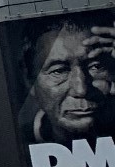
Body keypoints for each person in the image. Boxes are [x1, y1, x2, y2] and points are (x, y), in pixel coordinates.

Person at [18, 16, 115, 153]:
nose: (81, 89)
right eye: (59, 71)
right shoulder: (15, 149)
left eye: (96, 66)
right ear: (29, 79)